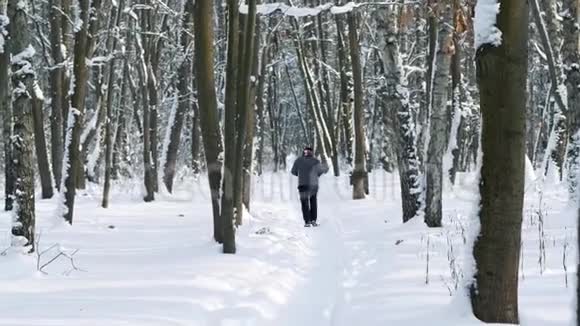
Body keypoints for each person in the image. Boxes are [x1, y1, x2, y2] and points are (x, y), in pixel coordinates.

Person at [290, 146, 329, 227]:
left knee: (304, 203)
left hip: (302, 184)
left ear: (303, 152)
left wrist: (300, 173)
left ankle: (307, 221)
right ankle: (313, 220)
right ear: (312, 152)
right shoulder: (315, 161)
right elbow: (320, 172)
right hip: (313, 185)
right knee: (313, 201)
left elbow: (293, 172)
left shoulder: (298, 160)